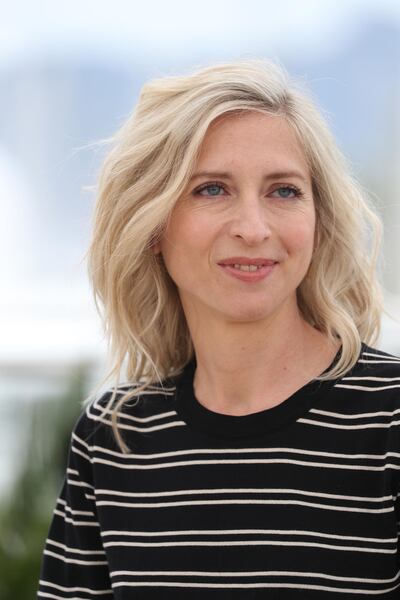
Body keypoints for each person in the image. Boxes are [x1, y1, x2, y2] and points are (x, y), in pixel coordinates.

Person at [37, 59, 400, 599]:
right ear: (154, 223)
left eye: (284, 191)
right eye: (211, 190)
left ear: (318, 221)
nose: (253, 229)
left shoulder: (388, 419)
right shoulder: (113, 442)